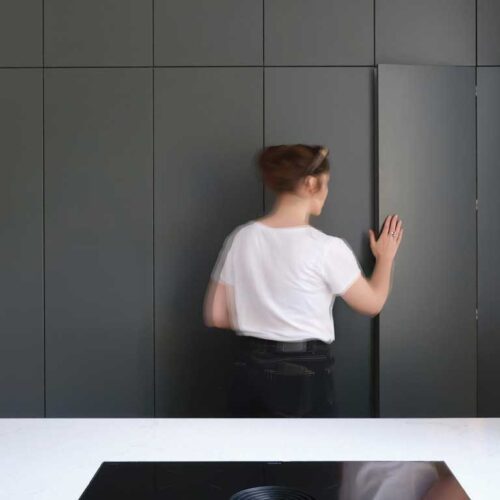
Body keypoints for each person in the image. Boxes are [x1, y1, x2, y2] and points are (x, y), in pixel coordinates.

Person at [203, 144, 403, 417]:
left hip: (248, 368)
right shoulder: (326, 248)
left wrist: (261, 317)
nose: (327, 192)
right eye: (326, 183)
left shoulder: (242, 238)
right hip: (304, 373)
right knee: (311, 446)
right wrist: (386, 258)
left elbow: (216, 315)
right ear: (310, 183)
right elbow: (372, 303)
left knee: (249, 445)